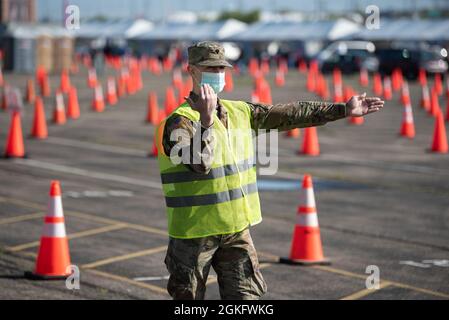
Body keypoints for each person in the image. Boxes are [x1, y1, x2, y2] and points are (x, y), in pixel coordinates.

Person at [156, 41, 384, 300]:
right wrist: (206, 122)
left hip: (236, 231)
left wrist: (342, 109)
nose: (218, 73)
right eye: (210, 68)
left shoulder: (239, 111)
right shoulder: (178, 122)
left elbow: (289, 113)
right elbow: (199, 163)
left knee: (247, 299)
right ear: (192, 71)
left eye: (222, 68)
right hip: (194, 237)